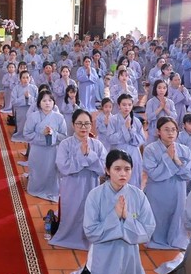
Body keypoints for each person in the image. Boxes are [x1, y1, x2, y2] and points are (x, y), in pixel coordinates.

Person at [82, 150, 156, 274]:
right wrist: (115, 216)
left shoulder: (138, 195)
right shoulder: (95, 195)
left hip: (129, 255)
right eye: (117, 169)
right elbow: (91, 232)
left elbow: (148, 230)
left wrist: (126, 218)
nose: (123, 173)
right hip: (103, 256)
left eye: (127, 169)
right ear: (107, 170)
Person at [49, 110, 107, 251]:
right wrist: (83, 157)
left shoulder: (97, 145)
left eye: (87, 124)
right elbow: (63, 167)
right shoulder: (65, 144)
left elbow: (103, 169)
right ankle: (68, 237)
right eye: (79, 123)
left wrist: (89, 155)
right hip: (72, 185)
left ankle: (89, 238)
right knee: (72, 211)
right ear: (73, 125)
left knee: (90, 212)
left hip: (91, 184)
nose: (83, 127)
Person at [143, 117, 191, 250]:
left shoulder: (184, 150)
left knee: (176, 215)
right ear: (158, 132)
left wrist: (177, 161)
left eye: (173, 130)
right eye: (166, 129)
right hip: (157, 190)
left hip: (177, 189)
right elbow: (154, 174)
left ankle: (175, 239)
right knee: (158, 215)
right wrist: (168, 158)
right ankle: (156, 238)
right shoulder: (150, 149)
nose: (170, 133)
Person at [23, 91, 67, 201]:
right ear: (39, 103)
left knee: (52, 171)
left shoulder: (59, 117)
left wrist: (53, 134)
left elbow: (64, 136)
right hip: (37, 150)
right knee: (37, 171)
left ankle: (51, 189)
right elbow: (27, 135)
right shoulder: (33, 117)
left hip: (53, 151)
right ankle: (35, 188)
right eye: (44, 100)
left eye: (50, 100)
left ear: (54, 103)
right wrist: (42, 135)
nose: (47, 103)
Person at [107, 94, 145, 189]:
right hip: (118, 153)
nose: (127, 107)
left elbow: (141, 139)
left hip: (134, 154)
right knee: (118, 181)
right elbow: (110, 138)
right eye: (124, 104)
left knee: (134, 182)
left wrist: (131, 130)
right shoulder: (113, 120)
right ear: (119, 106)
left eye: (129, 104)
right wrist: (124, 129)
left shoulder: (136, 121)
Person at [10, 70, 38, 143]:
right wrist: (24, 98)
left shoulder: (34, 88)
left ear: (30, 78)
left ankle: (30, 136)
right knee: (22, 123)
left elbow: (38, 101)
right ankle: (21, 135)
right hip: (21, 109)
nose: (25, 79)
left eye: (27, 77)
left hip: (31, 109)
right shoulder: (16, 88)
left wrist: (29, 97)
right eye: (23, 78)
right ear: (20, 79)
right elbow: (13, 101)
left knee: (31, 124)